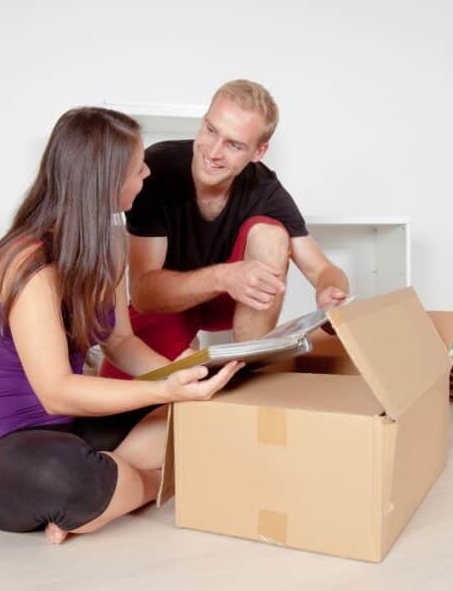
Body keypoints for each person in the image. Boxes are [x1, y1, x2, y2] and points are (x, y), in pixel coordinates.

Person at [0, 107, 242, 545]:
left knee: (191, 418)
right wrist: (163, 390)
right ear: (105, 180)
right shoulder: (24, 262)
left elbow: (120, 342)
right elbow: (57, 392)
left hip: (69, 428)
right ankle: (139, 486)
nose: (147, 171)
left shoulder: (105, 250)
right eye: (137, 166)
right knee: (64, 474)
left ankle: (106, 492)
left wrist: (181, 377)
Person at [100, 80, 351, 378]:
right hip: (168, 300)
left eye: (234, 145)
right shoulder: (157, 169)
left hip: (233, 301)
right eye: (210, 130)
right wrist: (222, 277)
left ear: (258, 152)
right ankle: (191, 356)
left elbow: (323, 270)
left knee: (271, 233)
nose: (213, 152)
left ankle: (247, 372)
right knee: (120, 406)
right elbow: (143, 294)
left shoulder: (265, 189)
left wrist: (331, 293)